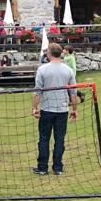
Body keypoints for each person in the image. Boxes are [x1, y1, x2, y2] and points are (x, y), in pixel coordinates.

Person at [32, 43, 78, 176]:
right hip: (62, 110)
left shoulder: (42, 69)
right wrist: (74, 109)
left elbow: (37, 92)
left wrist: (34, 108)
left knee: (44, 138)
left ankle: (42, 168)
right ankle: (58, 168)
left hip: (47, 109)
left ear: (49, 54)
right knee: (60, 139)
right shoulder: (68, 70)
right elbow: (73, 92)